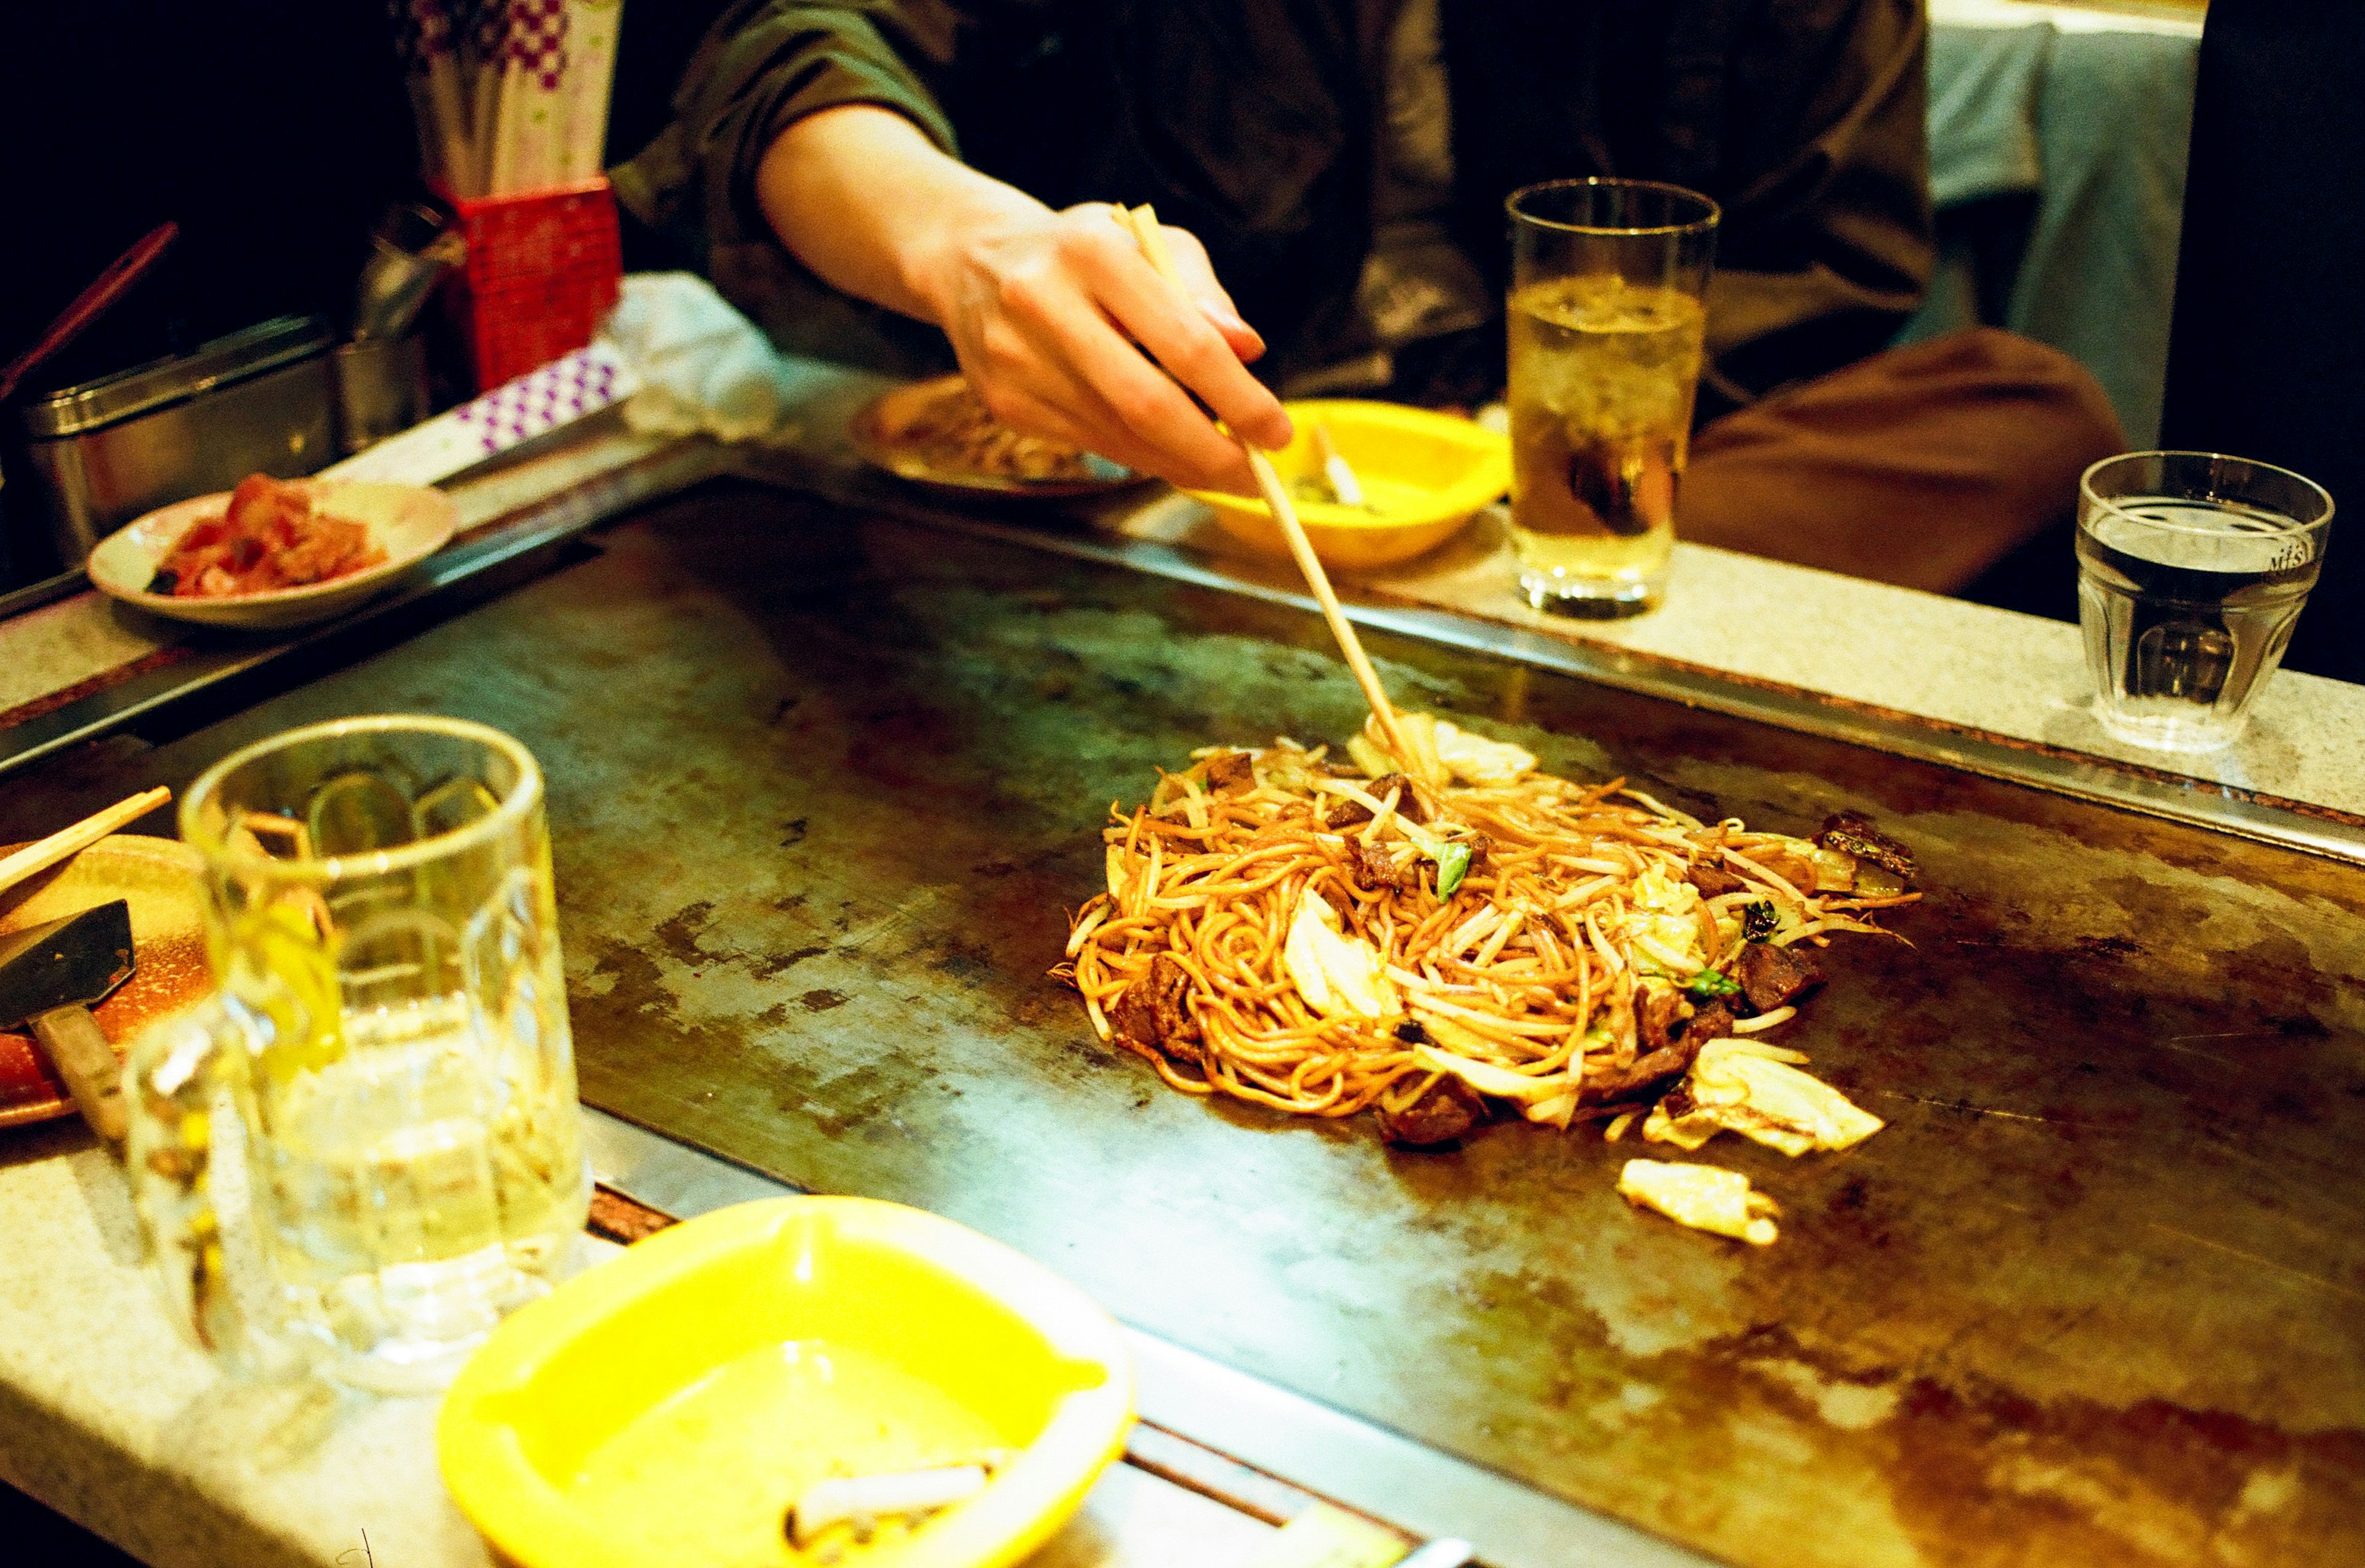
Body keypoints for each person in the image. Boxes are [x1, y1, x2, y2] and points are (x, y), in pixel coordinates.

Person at [615, 0, 2124, 594]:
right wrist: (968, 244)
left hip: (1567, 475)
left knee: (2026, 409)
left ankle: (1432, 606)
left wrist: (1511, 433)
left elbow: (1837, 258)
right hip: (1204, 474)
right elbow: (784, 59)